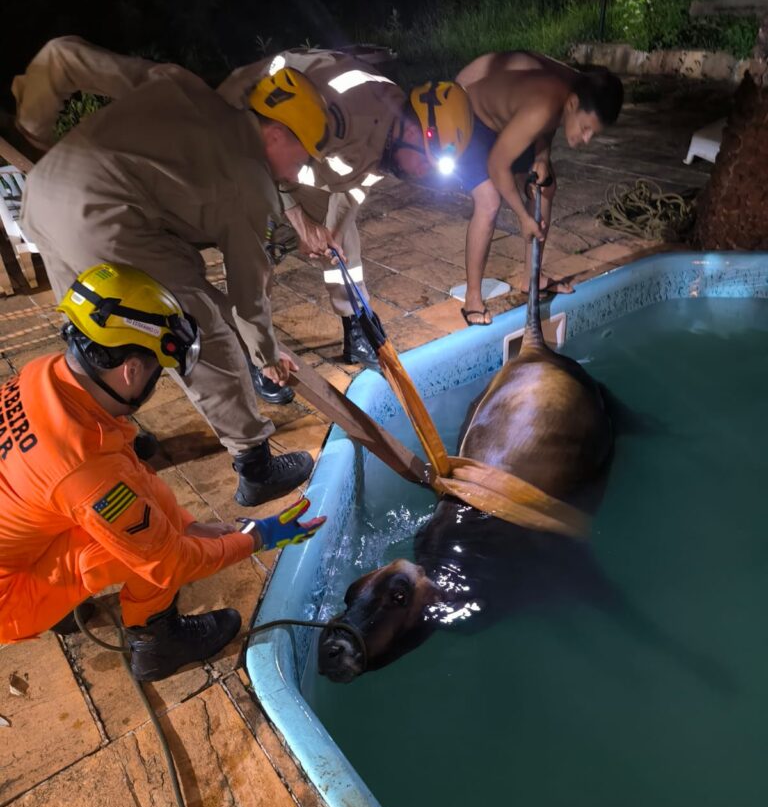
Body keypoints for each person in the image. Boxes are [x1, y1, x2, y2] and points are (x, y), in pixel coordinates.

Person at [12, 37, 473, 383]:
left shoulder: (394, 147)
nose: (423, 177)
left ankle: (352, 322)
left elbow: (355, 189)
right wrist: (296, 215)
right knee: (253, 255)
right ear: (416, 131)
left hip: (292, 166)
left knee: (340, 244)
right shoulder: (341, 103)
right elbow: (277, 133)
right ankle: (258, 357)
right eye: (427, 165)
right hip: (251, 145)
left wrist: (328, 229)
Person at [16, 43, 330, 506]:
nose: (300, 173)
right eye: (303, 159)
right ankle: (255, 464)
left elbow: (64, 55)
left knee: (100, 333)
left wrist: (33, 121)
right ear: (277, 135)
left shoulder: (185, 87)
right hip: (106, 217)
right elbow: (248, 294)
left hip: (44, 194)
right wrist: (265, 353)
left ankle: (107, 436)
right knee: (197, 330)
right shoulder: (251, 183)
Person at [0, 263, 325, 681]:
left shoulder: (43, 374)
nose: (157, 380)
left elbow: (128, 477)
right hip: (7, 599)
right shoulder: (82, 467)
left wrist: (196, 526)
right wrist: (259, 537)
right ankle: (158, 644)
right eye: (157, 369)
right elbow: (169, 563)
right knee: (139, 552)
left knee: (141, 511)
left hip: (22, 528)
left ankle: (58, 597)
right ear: (131, 369)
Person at [453, 51, 624, 324]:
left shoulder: (572, 86)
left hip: (510, 120)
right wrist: (523, 217)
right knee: (489, 201)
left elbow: (550, 122)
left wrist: (542, 156)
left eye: (593, 133)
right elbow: (498, 165)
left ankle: (532, 278)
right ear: (573, 104)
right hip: (470, 118)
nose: (586, 138)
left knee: (545, 185)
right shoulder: (543, 106)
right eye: (585, 128)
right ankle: (473, 299)